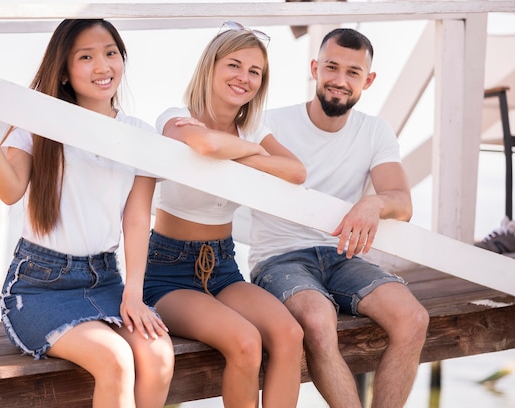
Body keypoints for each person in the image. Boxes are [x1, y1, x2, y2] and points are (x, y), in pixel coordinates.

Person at [0, 19, 174, 408]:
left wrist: (133, 295)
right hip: (39, 287)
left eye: (110, 53)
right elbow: (10, 191)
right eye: (85, 57)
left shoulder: (140, 136)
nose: (102, 67)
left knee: (157, 356)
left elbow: (136, 220)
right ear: (65, 71)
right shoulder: (38, 126)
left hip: (105, 280)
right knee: (116, 361)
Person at [248, 28, 430, 408]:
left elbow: (401, 201)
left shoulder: (374, 131)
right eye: (332, 67)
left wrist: (372, 204)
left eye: (353, 72)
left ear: (369, 80)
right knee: (317, 320)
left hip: (342, 256)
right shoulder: (270, 124)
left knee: (413, 319)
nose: (340, 81)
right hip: (280, 259)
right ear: (315, 68)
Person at [142, 21, 306, 408]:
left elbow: (296, 171)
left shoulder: (253, 128)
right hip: (170, 271)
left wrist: (241, 149)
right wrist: (258, 155)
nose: (244, 78)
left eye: (255, 72)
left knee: (289, 334)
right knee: (246, 342)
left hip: (224, 267)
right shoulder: (175, 116)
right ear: (211, 67)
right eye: (234, 65)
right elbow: (204, 143)